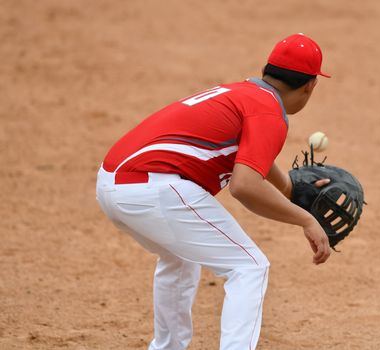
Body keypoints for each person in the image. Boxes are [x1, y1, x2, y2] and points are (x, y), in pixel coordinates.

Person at [96, 33, 331, 350]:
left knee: (180, 257)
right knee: (249, 266)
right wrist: (306, 219)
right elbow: (245, 186)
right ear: (310, 85)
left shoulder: (244, 93)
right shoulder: (269, 113)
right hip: (155, 190)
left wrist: (290, 189)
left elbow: (252, 158)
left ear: (268, 70)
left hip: (114, 184)